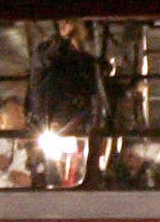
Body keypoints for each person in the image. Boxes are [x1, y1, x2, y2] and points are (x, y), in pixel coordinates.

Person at [26, 21, 107, 184]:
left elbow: (95, 92)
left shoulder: (87, 63)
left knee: (75, 173)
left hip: (78, 127)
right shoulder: (47, 52)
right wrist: (63, 39)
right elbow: (48, 57)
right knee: (53, 174)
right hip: (55, 125)